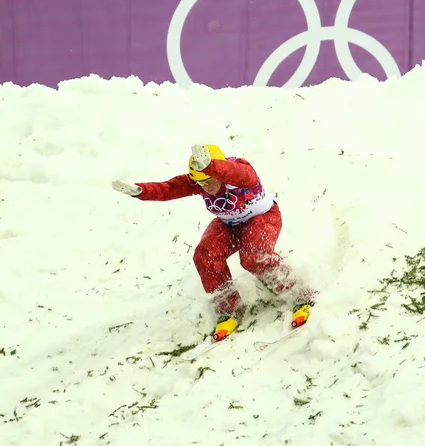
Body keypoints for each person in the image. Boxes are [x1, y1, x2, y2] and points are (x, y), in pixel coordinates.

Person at [112, 144, 314, 341]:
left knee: (253, 256)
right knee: (205, 255)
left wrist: (210, 167)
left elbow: (236, 173)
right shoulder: (200, 180)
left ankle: (299, 296)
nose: (206, 186)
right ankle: (230, 310)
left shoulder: (240, 172)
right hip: (230, 225)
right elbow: (170, 188)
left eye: (209, 180)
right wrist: (141, 192)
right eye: (201, 183)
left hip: (263, 218)